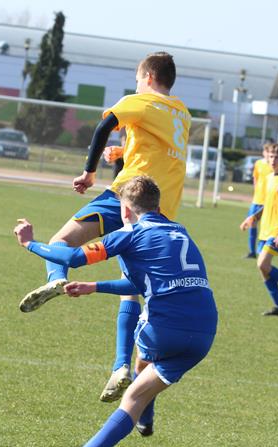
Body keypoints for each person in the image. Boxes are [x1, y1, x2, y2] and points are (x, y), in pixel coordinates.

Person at [13, 176, 217, 447]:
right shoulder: (179, 230)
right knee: (140, 384)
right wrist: (94, 287)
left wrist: (29, 243)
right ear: (158, 206)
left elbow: (72, 256)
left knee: (135, 388)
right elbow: (144, 283)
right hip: (204, 331)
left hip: (164, 327)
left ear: (124, 210)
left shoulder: (130, 233)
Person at [18, 52, 192, 403]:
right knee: (132, 288)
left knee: (63, 240)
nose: (137, 84)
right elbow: (155, 151)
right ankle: (120, 366)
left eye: (138, 78)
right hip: (161, 213)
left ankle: (57, 278)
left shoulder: (139, 101)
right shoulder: (182, 113)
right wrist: (123, 154)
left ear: (147, 76)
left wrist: (89, 171)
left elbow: (103, 125)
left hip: (125, 197)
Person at [239, 143, 278, 316]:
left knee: (262, 264)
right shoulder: (269, 178)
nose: (273, 160)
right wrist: (253, 217)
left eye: (277, 157)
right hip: (264, 230)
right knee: (264, 270)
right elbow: (267, 205)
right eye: (271, 156)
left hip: (277, 230)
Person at [244, 143, 273, 259]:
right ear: (263, 152)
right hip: (256, 200)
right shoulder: (258, 164)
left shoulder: (273, 166)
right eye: (266, 151)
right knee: (252, 223)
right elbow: (255, 178)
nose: (268, 154)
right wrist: (256, 190)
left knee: (268, 229)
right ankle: (252, 252)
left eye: (270, 152)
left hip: (267, 202)